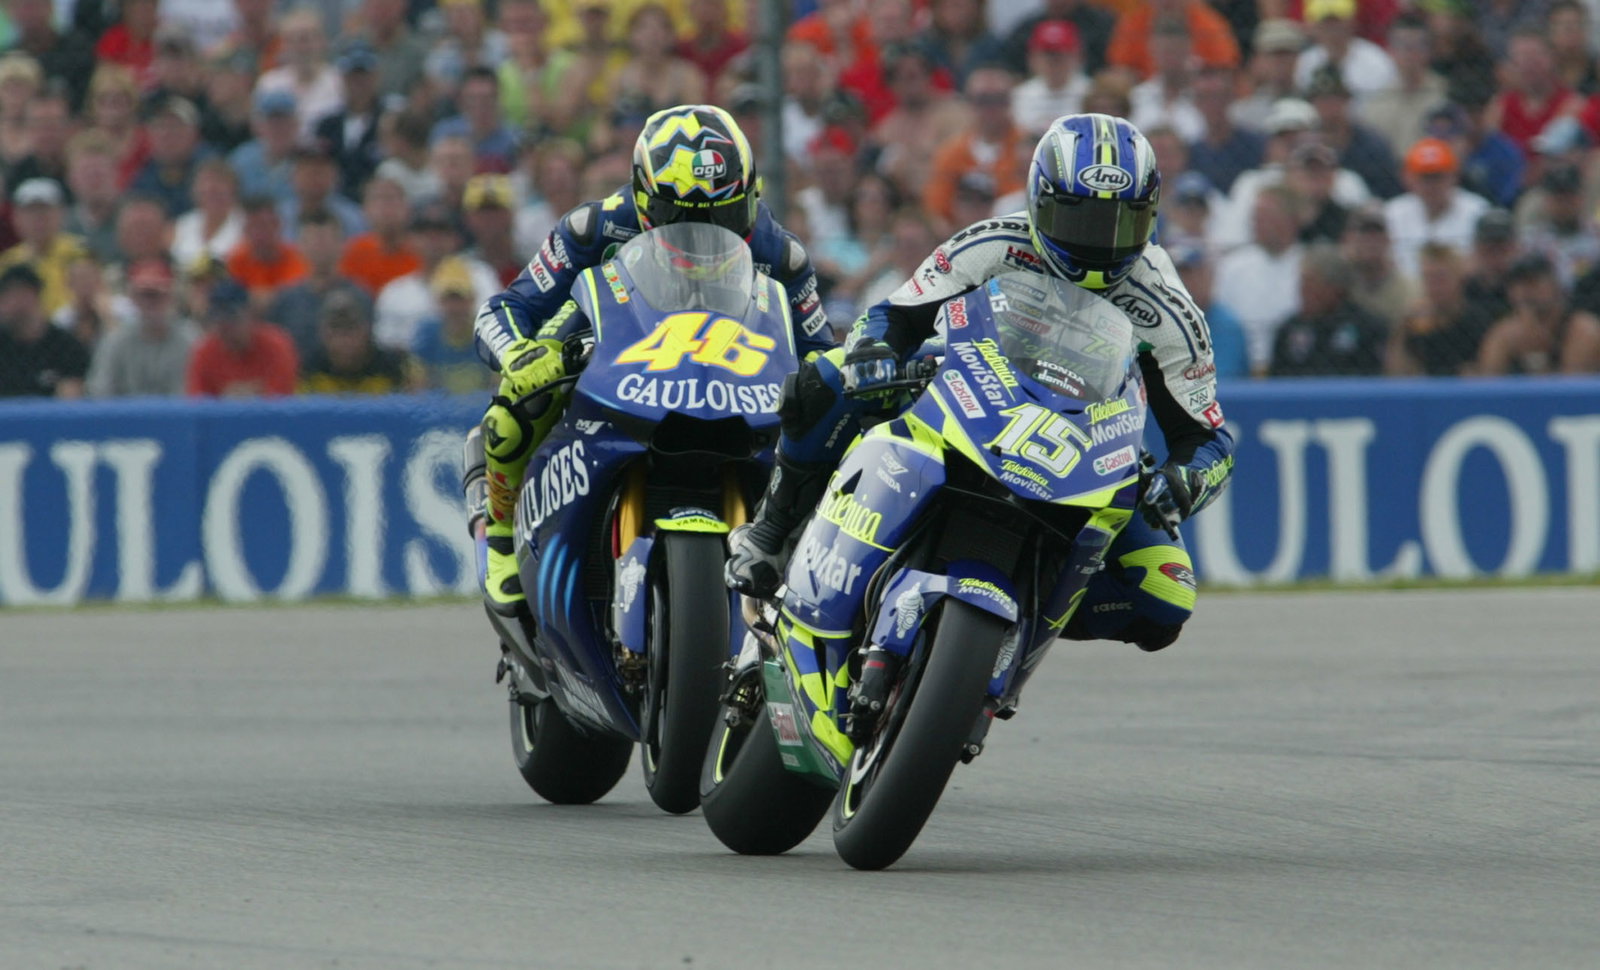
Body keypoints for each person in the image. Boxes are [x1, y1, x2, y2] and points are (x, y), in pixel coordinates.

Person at [726, 113, 1235, 657]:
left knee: (1164, 597)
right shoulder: (996, 241)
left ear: (1151, 215)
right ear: (1039, 201)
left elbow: (1209, 439)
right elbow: (895, 314)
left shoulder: (1167, 307)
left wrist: (1185, 481)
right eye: (1079, 217)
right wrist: (873, 351)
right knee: (825, 379)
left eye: (1119, 223)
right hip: (965, 392)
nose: (1098, 241)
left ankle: (1025, 610)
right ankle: (771, 532)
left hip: (1081, 448)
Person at [472, 104, 832, 612]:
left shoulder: (781, 254)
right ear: (643, 198)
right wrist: (519, 353)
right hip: (617, 363)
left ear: (751, 196)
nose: (702, 229)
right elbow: (504, 309)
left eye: (724, 214)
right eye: (679, 216)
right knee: (518, 401)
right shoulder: (593, 228)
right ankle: (502, 535)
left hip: (736, 377)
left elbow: (821, 351)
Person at [1214, 184, 1305, 372]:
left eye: (1266, 217)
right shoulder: (1232, 267)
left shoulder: (1307, 265)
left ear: (1292, 220)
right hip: (1240, 364)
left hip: (1292, 364)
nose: (1257, 223)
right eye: (1255, 217)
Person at [1268, 242, 1387, 376]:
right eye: (1302, 284)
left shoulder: (1367, 328)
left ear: (1335, 288)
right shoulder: (1289, 330)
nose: (1303, 292)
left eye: (1311, 285)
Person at [84, 258, 197, 397]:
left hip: (176, 410)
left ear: (171, 296)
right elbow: (100, 391)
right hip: (125, 410)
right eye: (144, 295)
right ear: (133, 297)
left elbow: (192, 395)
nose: (150, 302)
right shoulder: (116, 340)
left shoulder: (190, 339)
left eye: (156, 295)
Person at [1383, 136, 1490, 278]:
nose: (1431, 185)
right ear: (1409, 178)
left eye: (1437, 176)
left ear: (1454, 176)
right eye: (1424, 177)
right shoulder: (1392, 214)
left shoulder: (1478, 212)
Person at [1477, 253, 1600, 373]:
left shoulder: (1583, 329)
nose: (1525, 292)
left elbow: (1574, 382)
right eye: (1518, 285)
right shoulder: (1504, 333)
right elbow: (1488, 378)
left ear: (1555, 286)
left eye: (1533, 283)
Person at [185, 278, 299, 397]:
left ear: (250, 314)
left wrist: (235, 399)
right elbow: (197, 402)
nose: (225, 326)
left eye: (232, 316)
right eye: (217, 317)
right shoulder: (205, 352)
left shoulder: (276, 347)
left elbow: (280, 400)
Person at [299, 290, 421, 394]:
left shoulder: (394, 367)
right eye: (336, 329)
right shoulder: (308, 369)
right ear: (322, 333)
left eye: (351, 328)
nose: (344, 339)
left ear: (367, 330)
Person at [0, 177, 88, 316]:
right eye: (30, 211)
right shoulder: (8, 263)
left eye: (45, 210)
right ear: (16, 217)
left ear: (61, 213)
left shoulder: (80, 254)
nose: (38, 218)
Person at [0, 263, 88, 397]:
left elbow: (74, 394)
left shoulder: (66, 347)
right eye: (8, 295)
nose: (14, 302)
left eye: (21, 294)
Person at [411, 256, 492, 393]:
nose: (455, 308)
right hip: (436, 405)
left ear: (472, 300)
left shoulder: (487, 335)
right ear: (439, 301)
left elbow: (499, 387)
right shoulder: (427, 336)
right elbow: (418, 388)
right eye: (449, 300)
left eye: (460, 299)